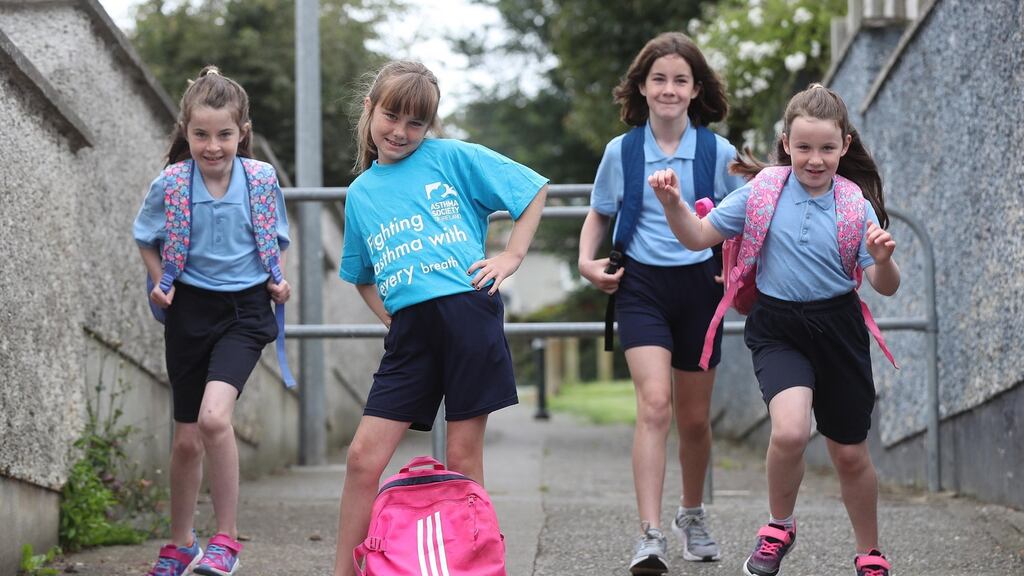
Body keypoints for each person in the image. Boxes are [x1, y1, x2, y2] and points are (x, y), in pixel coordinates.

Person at [649, 83, 900, 576]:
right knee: (788, 432)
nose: (815, 159)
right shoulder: (761, 192)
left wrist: (883, 260)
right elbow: (698, 236)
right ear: (786, 142)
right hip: (778, 326)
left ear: (845, 146)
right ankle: (778, 527)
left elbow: (885, 287)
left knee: (849, 454)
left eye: (827, 148)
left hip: (839, 327)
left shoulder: (855, 205)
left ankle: (870, 552)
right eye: (804, 147)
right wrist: (673, 204)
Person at [333, 60, 548, 576]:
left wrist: (511, 256)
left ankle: (473, 565)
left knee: (462, 459)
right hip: (411, 335)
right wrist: (395, 316)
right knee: (364, 458)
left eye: (416, 123)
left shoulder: (450, 158)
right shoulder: (360, 194)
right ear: (369, 110)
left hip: (469, 316)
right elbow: (361, 273)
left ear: (429, 126)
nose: (401, 132)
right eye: (392, 116)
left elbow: (532, 189)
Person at [577, 31, 746, 575]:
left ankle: (690, 515)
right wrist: (586, 261)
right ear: (643, 88)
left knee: (694, 420)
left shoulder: (719, 152)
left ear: (696, 89)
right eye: (659, 79)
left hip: (702, 288)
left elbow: (746, 214)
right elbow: (600, 212)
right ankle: (649, 535)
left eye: (680, 80)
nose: (669, 89)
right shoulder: (621, 151)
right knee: (654, 406)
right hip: (641, 287)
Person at [133, 66, 291, 576]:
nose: (213, 145)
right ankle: (181, 544)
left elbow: (275, 241)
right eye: (201, 134)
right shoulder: (172, 183)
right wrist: (161, 281)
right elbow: (144, 236)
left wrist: (279, 280)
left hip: (246, 312)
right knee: (184, 440)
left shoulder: (261, 180)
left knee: (214, 419)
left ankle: (226, 540)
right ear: (186, 131)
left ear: (242, 132)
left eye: (224, 134)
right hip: (188, 313)